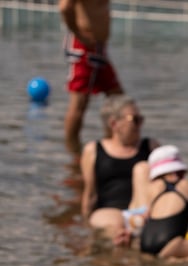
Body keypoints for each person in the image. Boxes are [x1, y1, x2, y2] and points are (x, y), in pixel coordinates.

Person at [80, 95, 158, 244]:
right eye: (134, 119)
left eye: (141, 119)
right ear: (114, 124)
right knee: (116, 227)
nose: (140, 124)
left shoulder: (150, 146)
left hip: (142, 209)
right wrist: (85, 227)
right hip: (109, 210)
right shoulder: (93, 150)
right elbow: (90, 194)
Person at [59, 0, 124, 160]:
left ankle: (112, 147)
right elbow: (64, 7)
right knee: (80, 103)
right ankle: (73, 155)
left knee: (117, 98)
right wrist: (79, 33)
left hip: (99, 47)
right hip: (83, 45)